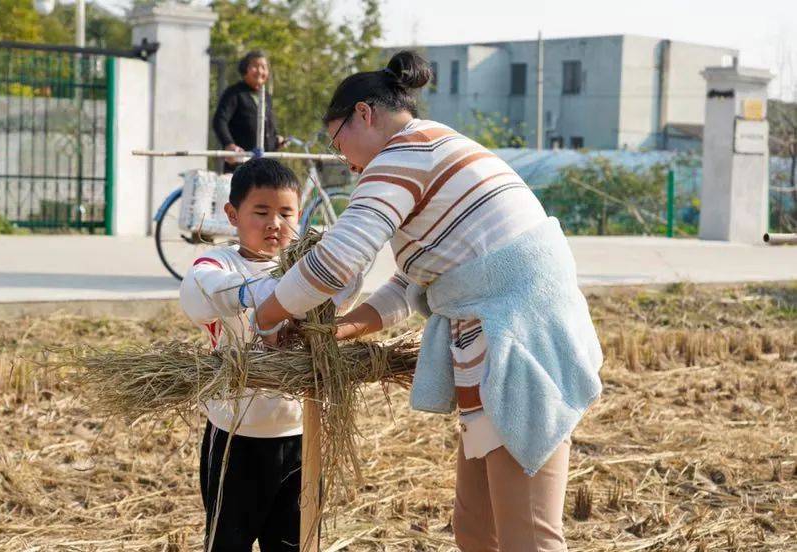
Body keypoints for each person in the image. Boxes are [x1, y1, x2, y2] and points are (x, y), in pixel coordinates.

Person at [253, 50, 604, 551]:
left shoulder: (402, 156)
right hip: (493, 338)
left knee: (528, 536)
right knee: (475, 529)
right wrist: (339, 329)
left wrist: (265, 314)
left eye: (339, 143)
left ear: (364, 115)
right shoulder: (432, 147)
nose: (348, 163)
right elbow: (413, 283)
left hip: (518, 343)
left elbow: (336, 263)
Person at [179, 158, 303, 551]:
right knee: (227, 542)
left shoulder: (306, 265)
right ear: (232, 214)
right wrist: (271, 294)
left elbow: (346, 292)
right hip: (235, 435)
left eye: (286, 213)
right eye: (261, 212)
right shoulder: (218, 265)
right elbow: (199, 292)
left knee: (290, 543)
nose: (275, 224)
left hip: (299, 433)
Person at [212, 50, 285, 173]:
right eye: (255, 66)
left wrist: (276, 139)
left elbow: (268, 126)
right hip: (242, 164)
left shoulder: (266, 96)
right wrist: (229, 144)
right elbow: (220, 121)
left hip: (267, 164)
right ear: (245, 69)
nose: (260, 71)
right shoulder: (234, 93)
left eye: (264, 67)